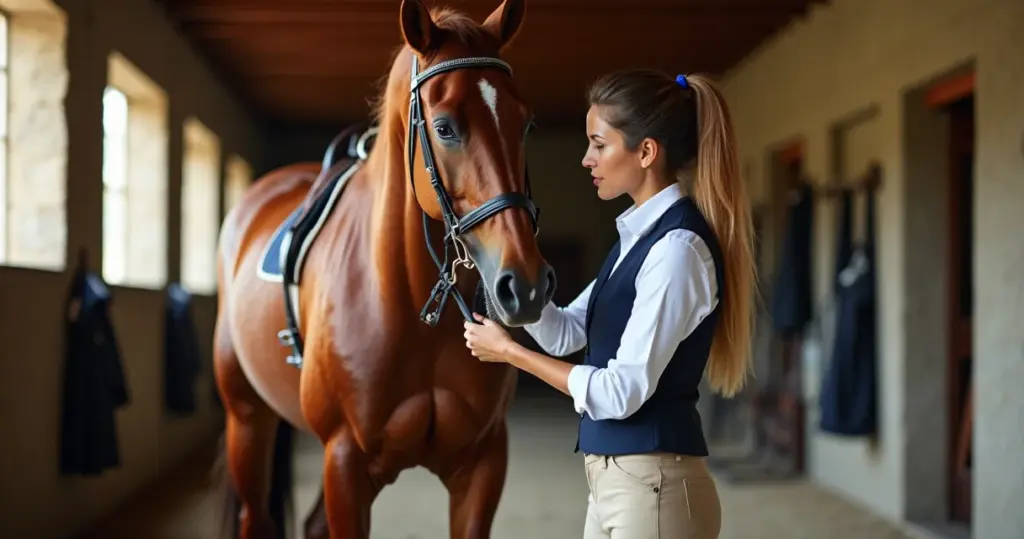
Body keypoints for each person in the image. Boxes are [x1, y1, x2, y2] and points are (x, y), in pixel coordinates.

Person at [463, 68, 756, 539]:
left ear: (645, 152)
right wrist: (504, 262)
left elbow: (621, 393)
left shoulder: (675, 251)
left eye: (599, 144)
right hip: (617, 484)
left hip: (654, 488)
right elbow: (566, 332)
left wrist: (511, 354)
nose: (586, 159)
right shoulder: (635, 239)